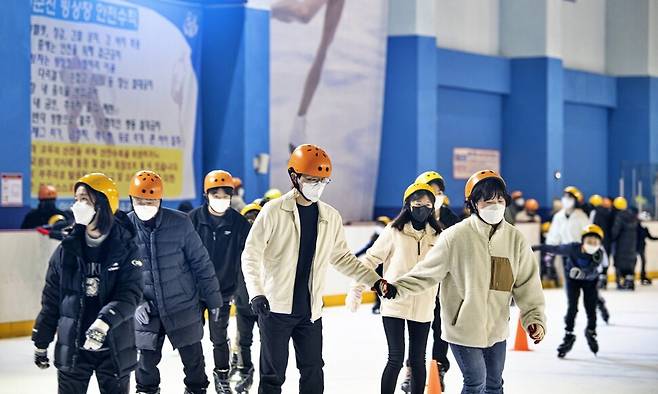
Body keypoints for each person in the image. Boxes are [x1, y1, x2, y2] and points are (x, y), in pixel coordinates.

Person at [241, 144, 388, 393]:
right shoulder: (274, 211)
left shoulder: (330, 216)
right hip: (276, 308)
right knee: (272, 375)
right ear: (294, 177)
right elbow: (251, 255)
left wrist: (374, 280)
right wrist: (256, 292)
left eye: (323, 181)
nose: (317, 185)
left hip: (310, 311)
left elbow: (342, 257)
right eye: (311, 179)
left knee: (313, 372)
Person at [387, 170, 546, 394]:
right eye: (487, 200)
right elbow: (426, 272)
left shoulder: (515, 239)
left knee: (494, 383)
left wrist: (534, 319)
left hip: (497, 328)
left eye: (499, 200)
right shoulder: (455, 236)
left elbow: (527, 284)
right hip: (462, 327)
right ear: (472, 204)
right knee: (475, 381)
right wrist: (397, 288)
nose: (495, 205)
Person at [32, 173, 142, 394]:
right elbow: (52, 298)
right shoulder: (67, 250)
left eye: (85, 200)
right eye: (76, 199)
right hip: (73, 349)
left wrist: (103, 323)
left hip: (114, 348)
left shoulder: (126, 247)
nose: (78, 205)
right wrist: (41, 340)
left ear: (102, 205)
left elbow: (130, 295)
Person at [127, 170, 223, 394]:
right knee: (145, 364)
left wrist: (214, 300)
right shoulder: (124, 227)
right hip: (147, 310)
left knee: (194, 363)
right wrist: (137, 302)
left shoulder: (180, 223)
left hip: (182, 305)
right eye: (140, 200)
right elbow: (121, 275)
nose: (145, 205)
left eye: (150, 200)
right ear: (131, 199)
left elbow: (202, 264)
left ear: (160, 199)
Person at [346, 183, 440, 394]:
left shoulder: (437, 235)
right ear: (408, 205)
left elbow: (446, 270)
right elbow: (370, 260)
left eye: (427, 204)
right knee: (396, 358)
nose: (422, 208)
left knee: (418, 360)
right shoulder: (394, 231)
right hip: (395, 302)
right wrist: (356, 288)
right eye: (417, 204)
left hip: (424, 304)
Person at [189, 170, 252, 393]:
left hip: (223, 292)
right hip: (194, 292)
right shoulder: (193, 219)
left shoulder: (239, 223)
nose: (221, 198)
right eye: (216, 194)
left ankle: (222, 377)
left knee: (219, 337)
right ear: (206, 195)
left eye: (226, 194)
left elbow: (252, 253)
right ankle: (196, 380)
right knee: (193, 338)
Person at [405, 170, 462, 391]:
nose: (435, 195)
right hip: (419, 283)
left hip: (442, 284)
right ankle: (411, 368)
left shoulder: (450, 218)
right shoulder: (409, 218)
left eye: (438, 191)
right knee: (416, 330)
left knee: (440, 328)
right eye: (430, 191)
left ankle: (438, 367)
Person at [533, 225, 607, 358]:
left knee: (591, 308)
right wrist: (536, 247)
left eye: (595, 242)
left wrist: (583, 274)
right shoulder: (573, 248)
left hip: (590, 281)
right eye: (589, 241)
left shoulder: (598, 254)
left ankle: (591, 331)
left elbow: (592, 271)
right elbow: (554, 249)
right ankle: (568, 334)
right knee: (572, 307)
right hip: (572, 280)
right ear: (583, 241)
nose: (592, 245)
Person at [545, 186, 590, 286]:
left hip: (579, 252)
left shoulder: (581, 217)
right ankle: (571, 298)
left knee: (581, 279)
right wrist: (550, 251)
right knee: (568, 279)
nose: (566, 200)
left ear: (576, 201)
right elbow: (554, 235)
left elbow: (588, 235)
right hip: (565, 251)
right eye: (565, 197)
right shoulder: (558, 217)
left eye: (570, 198)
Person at [354, 215, 391, 315]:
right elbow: (368, 247)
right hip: (377, 266)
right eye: (378, 224)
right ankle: (378, 303)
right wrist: (356, 255)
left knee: (385, 285)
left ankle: (382, 304)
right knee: (377, 285)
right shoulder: (376, 236)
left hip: (387, 266)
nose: (379, 226)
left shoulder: (388, 237)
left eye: (381, 224)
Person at [610, 197, 639, 290]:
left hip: (621, 245)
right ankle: (630, 281)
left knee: (619, 263)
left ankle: (620, 282)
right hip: (632, 245)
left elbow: (615, 231)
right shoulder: (633, 216)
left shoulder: (619, 216)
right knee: (630, 263)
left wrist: (611, 238)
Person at [636, 209, 657, 285]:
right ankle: (630, 275)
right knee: (634, 261)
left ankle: (643, 276)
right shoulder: (636, 227)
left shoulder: (644, 229)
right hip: (634, 247)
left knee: (643, 262)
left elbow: (650, 237)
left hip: (641, 247)